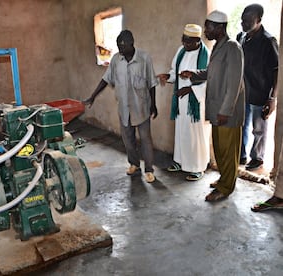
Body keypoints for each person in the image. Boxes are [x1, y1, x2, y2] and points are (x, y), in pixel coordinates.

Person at [180, 10, 245, 201]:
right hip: (218, 109)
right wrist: (193, 74)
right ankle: (224, 178)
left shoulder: (233, 48)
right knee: (219, 147)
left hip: (227, 111)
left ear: (219, 28)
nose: (205, 30)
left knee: (228, 150)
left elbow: (234, 83)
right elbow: (211, 72)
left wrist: (226, 110)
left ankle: (226, 188)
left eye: (208, 27)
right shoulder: (218, 47)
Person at [84, 30, 158, 183]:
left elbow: (151, 83)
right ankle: (134, 164)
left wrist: (154, 104)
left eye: (123, 46)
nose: (120, 50)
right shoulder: (116, 60)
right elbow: (106, 79)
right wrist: (93, 96)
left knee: (145, 139)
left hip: (141, 107)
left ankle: (149, 170)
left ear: (132, 44)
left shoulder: (144, 58)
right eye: (118, 46)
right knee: (128, 139)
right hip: (124, 108)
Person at [157, 24, 211, 181]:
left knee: (195, 134)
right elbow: (175, 72)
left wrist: (189, 90)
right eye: (184, 40)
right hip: (181, 100)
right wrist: (168, 77)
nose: (185, 44)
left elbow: (208, 79)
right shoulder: (181, 51)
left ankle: (197, 167)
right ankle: (181, 162)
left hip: (196, 102)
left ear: (197, 40)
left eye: (189, 42)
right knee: (181, 132)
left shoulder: (205, 54)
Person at [237, 4, 279, 171]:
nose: (243, 24)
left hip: (261, 92)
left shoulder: (268, 41)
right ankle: (241, 155)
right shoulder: (241, 36)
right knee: (241, 125)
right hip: (243, 91)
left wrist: (272, 97)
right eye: (242, 20)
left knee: (259, 129)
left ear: (259, 20)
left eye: (248, 21)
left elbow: (277, 71)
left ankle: (257, 158)